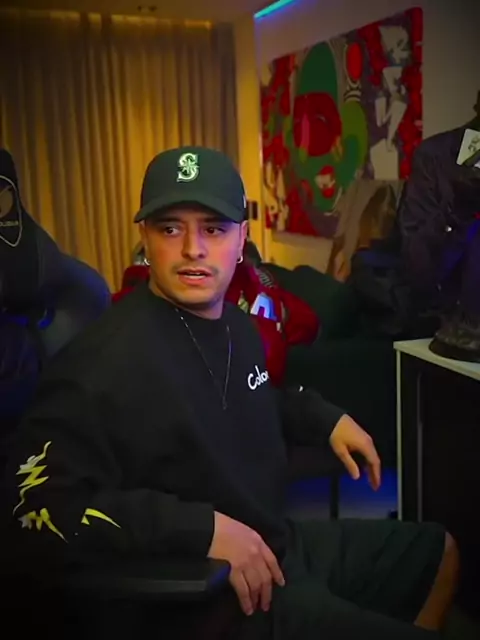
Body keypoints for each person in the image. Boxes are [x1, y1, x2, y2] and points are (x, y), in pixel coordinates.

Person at [4, 147, 458, 639]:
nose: (193, 249)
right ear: (145, 238)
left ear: (242, 239)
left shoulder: (239, 327)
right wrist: (202, 530)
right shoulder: (100, 362)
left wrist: (321, 416)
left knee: (438, 552)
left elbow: (249, 392)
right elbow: (33, 507)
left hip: (276, 543)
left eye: (214, 229)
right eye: (171, 229)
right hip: (213, 588)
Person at [112, 239, 319, 386]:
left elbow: (308, 323)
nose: (194, 251)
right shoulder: (131, 312)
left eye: (212, 230)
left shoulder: (258, 290)